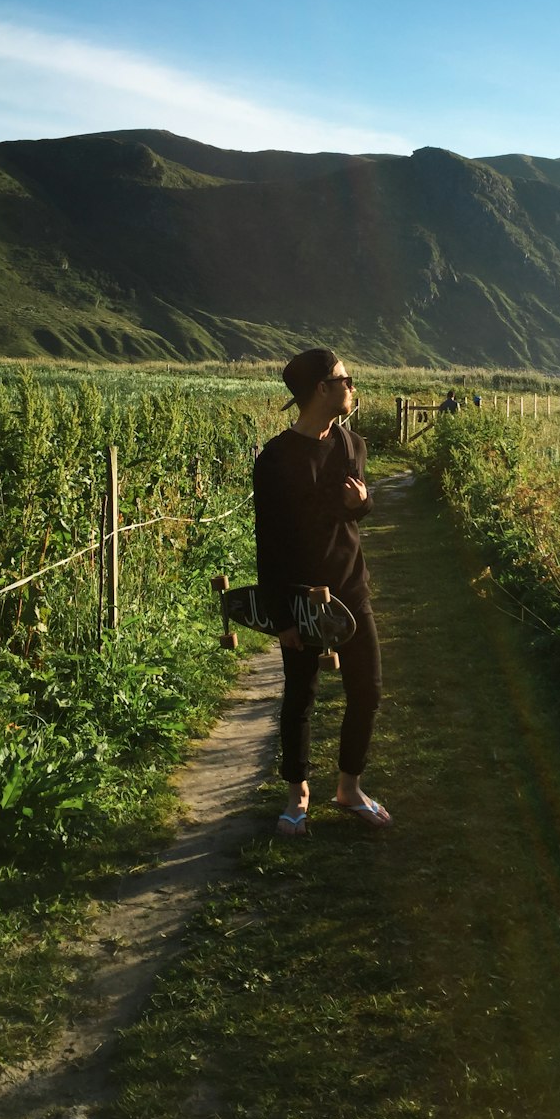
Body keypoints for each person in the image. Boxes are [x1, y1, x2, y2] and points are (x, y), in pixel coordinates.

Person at [253, 348, 390, 836]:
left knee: (367, 689)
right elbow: (268, 540)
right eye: (345, 379)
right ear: (321, 390)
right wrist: (281, 617)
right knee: (301, 697)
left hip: (351, 587)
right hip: (300, 598)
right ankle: (299, 796)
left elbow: (351, 511)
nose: (353, 386)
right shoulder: (275, 458)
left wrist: (364, 503)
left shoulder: (352, 445)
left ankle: (349, 788)